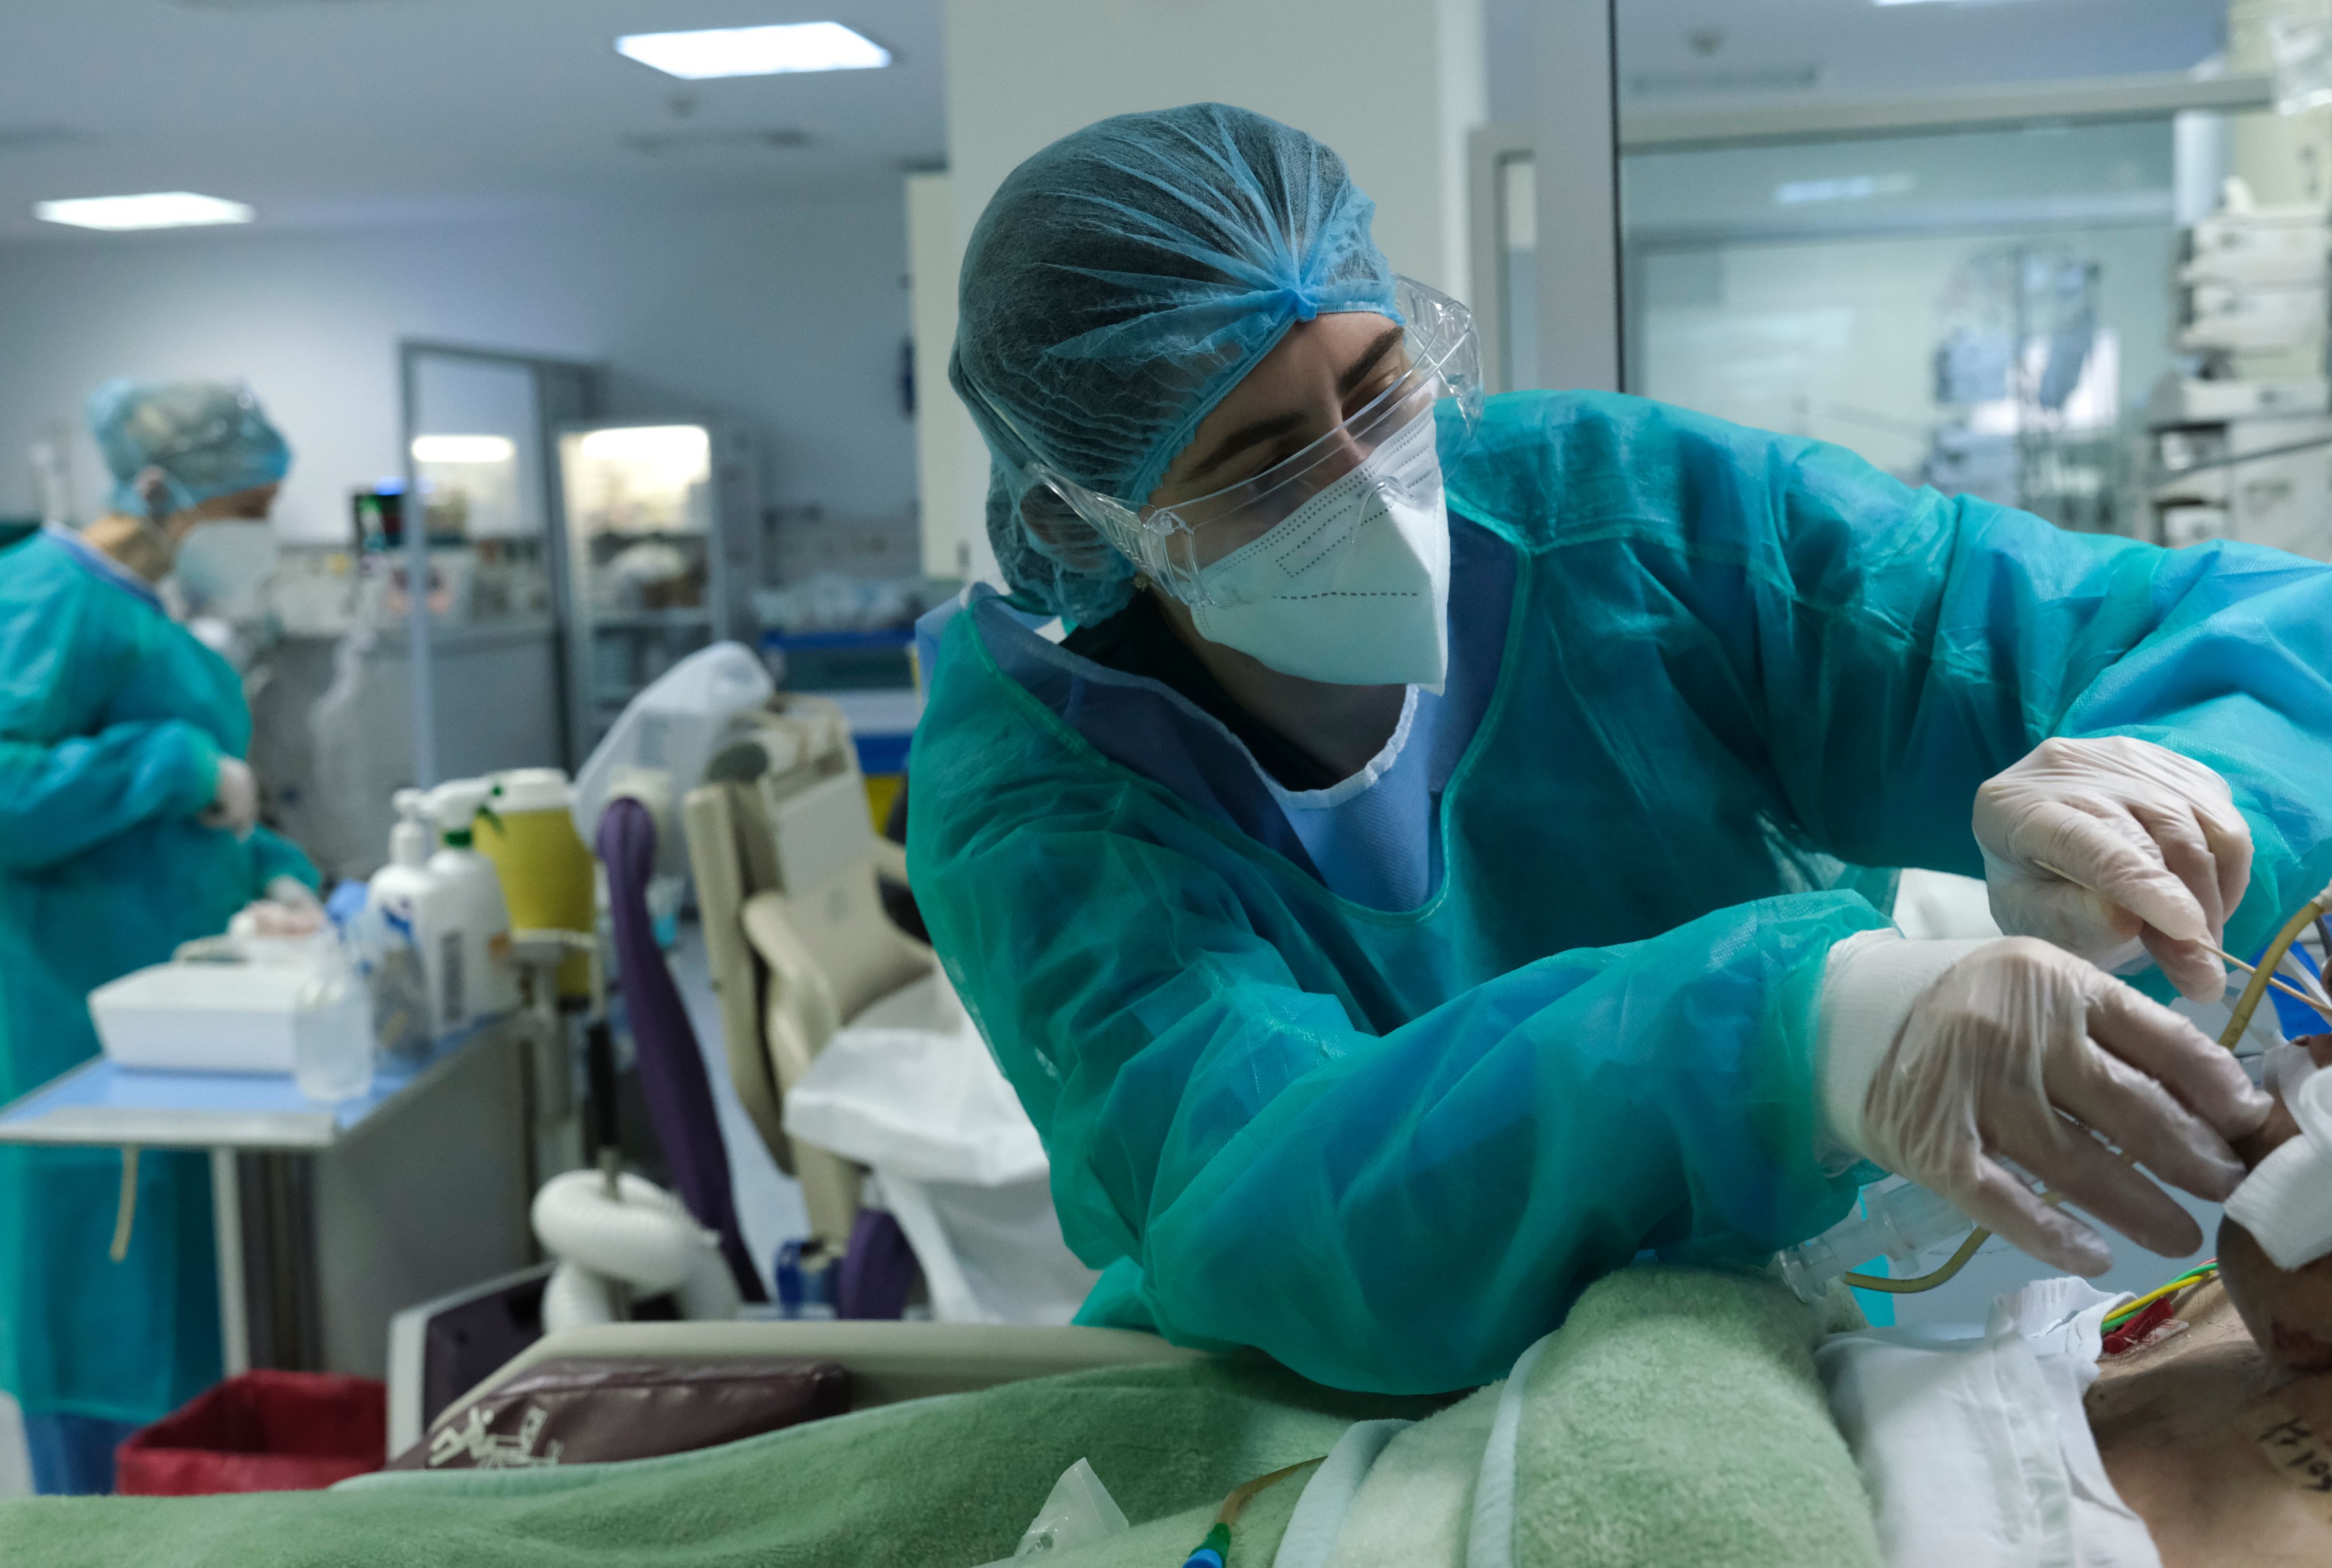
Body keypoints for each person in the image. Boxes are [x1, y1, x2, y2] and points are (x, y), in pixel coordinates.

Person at [905, 103, 2332, 1395]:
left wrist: (2180, 776)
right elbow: (1267, 1197)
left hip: (1802, 1317)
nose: (1370, 486)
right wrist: (1800, 1033)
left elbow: (2238, 623)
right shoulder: (1036, 793)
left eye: (1382, 387)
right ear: (1085, 515)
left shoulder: (1627, 520)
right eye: (1262, 463)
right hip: (1342, 1405)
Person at [0, 379, 317, 1492]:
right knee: (97, 1310)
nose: (261, 537)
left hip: (172, 1026)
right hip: (69, 1025)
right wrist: (172, 764)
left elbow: (211, 811)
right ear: (168, 490)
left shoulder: (139, 609)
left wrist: (278, 879)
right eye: (251, 508)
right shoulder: (42, 596)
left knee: (183, 1319)